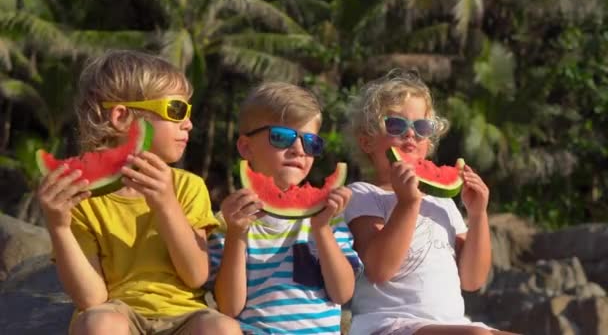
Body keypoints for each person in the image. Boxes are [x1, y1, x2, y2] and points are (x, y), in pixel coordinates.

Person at [36, 50, 241, 334]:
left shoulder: (188, 186)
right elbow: (91, 298)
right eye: (176, 110)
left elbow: (196, 275)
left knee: (223, 328)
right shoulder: (82, 197)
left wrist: (166, 204)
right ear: (121, 117)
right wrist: (59, 226)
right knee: (99, 323)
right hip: (118, 311)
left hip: (185, 315)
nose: (189, 123)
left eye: (189, 111)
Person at [343, 70, 515, 335]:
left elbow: (472, 280)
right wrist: (408, 203)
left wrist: (478, 214)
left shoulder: (442, 203)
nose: (410, 135)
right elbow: (379, 270)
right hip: (387, 324)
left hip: (450, 325)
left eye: (421, 128)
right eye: (396, 126)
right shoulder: (363, 194)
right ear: (366, 141)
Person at [209, 82, 362, 334]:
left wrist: (322, 230)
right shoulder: (228, 221)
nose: (298, 150)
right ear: (246, 147)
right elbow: (229, 307)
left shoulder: (330, 219)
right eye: (281, 137)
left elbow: (342, 292)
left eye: (310, 142)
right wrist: (236, 235)